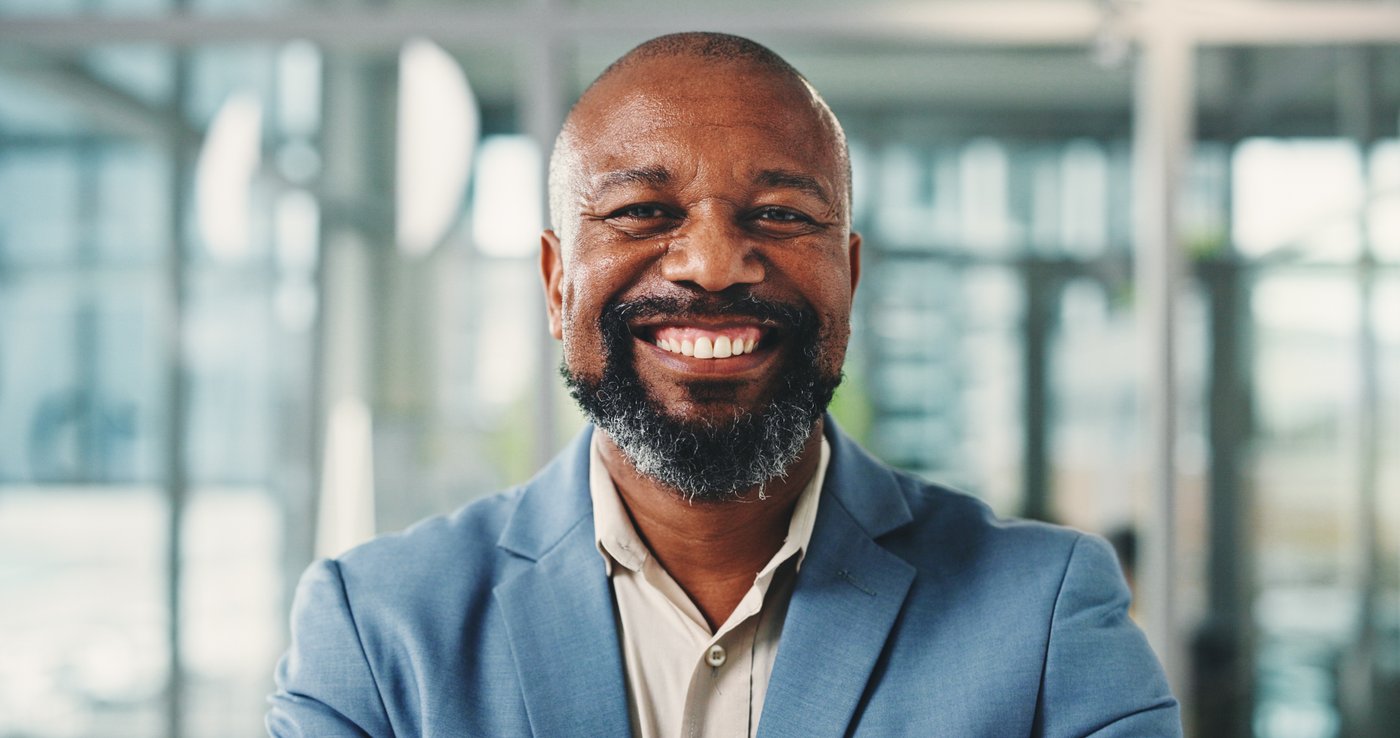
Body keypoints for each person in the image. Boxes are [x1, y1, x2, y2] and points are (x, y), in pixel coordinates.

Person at [267, 32, 1180, 737]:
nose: (709, 264)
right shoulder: (379, 630)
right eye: (642, 211)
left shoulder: (1045, 614)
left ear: (849, 278)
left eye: (779, 214)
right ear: (556, 284)